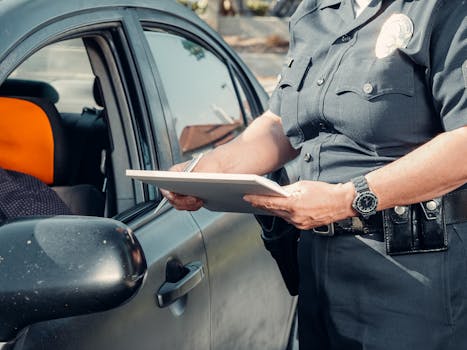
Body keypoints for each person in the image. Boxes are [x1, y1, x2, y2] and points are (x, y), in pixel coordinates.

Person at [162, 0, 467, 348]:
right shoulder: (315, 12)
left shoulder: (443, 9)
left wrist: (347, 199)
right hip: (317, 268)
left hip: (412, 279)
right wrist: (207, 169)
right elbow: (283, 124)